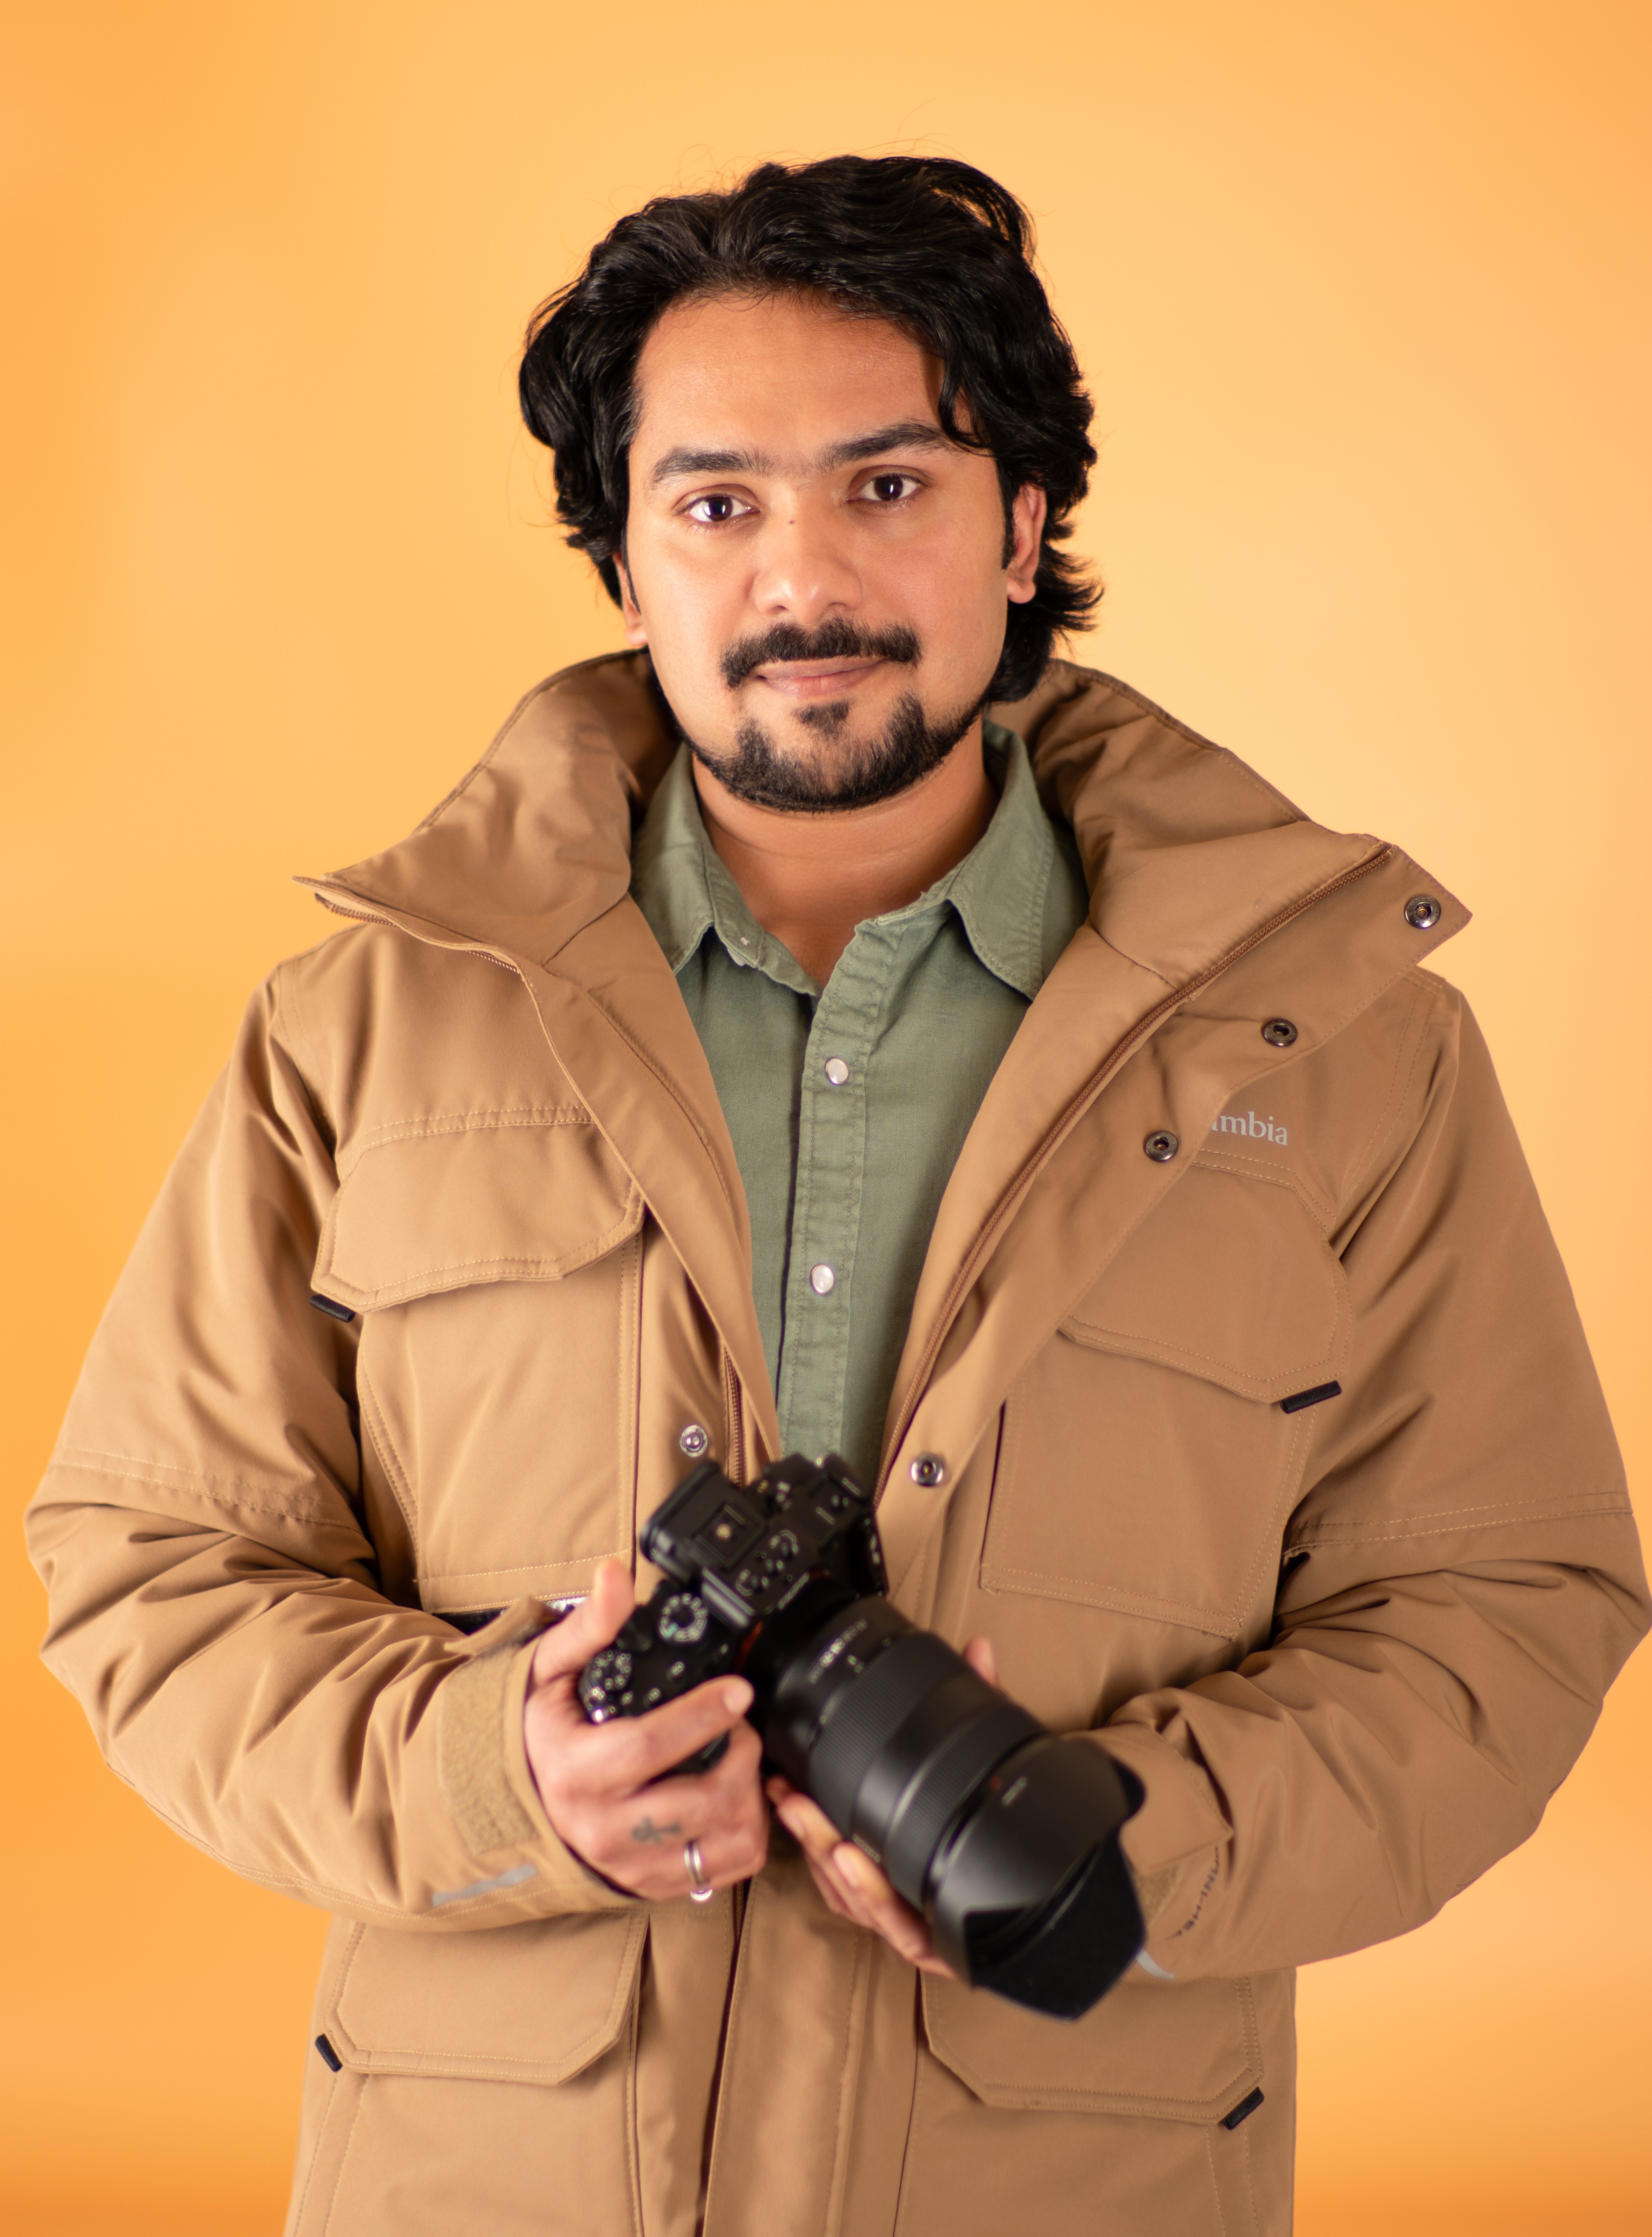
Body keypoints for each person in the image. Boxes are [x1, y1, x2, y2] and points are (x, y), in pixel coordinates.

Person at [27, 155, 1646, 2237]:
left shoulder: (1344, 1050)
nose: (806, 581)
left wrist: (1127, 1839)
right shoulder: (363, 1031)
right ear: (625, 562)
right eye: (715, 504)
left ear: (1025, 527)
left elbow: (1506, 1610)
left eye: (889, 487)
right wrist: (491, 1775)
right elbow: (152, 1566)